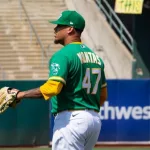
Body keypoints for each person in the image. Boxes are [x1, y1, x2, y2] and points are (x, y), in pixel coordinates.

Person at [9, 10, 107, 150]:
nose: (55, 29)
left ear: (70, 29)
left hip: (71, 119)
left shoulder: (63, 55)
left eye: (59, 26)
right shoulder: (96, 58)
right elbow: (102, 96)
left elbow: (53, 88)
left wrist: (20, 94)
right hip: (94, 120)